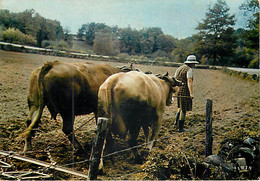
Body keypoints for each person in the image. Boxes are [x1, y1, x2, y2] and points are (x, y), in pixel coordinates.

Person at [174, 55, 199, 132]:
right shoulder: (189, 70)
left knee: (180, 107)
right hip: (184, 90)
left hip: (178, 89)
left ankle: (176, 123)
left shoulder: (180, 68)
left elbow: (175, 78)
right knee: (184, 109)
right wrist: (191, 93)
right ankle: (180, 128)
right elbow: (189, 81)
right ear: (192, 63)